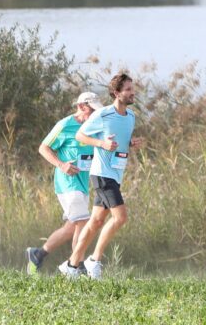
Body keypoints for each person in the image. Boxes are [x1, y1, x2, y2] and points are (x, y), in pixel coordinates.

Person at [58, 73, 143, 280]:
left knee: (96, 221)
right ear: (116, 93)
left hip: (116, 173)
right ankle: (94, 260)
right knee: (120, 218)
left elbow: (119, 139)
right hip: (102, 174)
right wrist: (102, 144)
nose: (133, 93)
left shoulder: (130, 116)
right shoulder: (103, 114)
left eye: (133, 89)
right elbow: (80, 136)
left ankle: (71, 264)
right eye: (128, 90)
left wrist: (129, 144)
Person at [25, 91, 102, 275]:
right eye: (91, 110)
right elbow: (43, 148)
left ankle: (37, 254)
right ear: (81, 107)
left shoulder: (93, 126)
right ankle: (76, 267)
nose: (94, 115)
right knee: (83, 221)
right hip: (67, 183)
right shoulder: (65, 125)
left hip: (83, 183)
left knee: (70, 228)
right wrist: (61, 165)